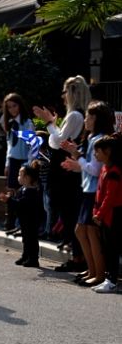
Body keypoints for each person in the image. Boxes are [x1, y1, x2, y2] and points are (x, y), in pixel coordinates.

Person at [33, 75, 90, 272]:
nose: (62, 96)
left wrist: (49, 123)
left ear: (72, 93)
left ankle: (78, 257)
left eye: (65, 92)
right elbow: (58, 139)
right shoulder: (77, 115)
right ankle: (78, 255)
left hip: (66, 171)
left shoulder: (75, 115)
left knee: (69, 213)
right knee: (68, 213)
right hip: (67, 168)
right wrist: (53, 126)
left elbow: (56, 142)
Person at [61, 101, 114, 287]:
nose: (86, 120)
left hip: (93, 192)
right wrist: (76, 159)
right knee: (83, 231)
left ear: (98, 119)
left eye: (90, 117)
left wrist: (77, 156)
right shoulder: (92, 137)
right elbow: (88, 168)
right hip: (88, 190)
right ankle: (93, 270)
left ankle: (98, 273)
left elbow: (94, 169)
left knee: (90, 232)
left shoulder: (98, 139)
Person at [91, 134, 122, 293]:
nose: (95, 154)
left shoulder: (114, 171)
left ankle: (111, 280)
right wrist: (96, 211)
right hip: (105, 214)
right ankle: (109, 278)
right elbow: (100, 193)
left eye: (98, 151)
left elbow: (110, 197)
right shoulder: (104, 168)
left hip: (113, 215)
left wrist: (100, 213)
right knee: (108, 248)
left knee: (112, 248)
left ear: (108, 151)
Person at [0, 162, 43, 267]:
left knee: (31, 239)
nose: (18, 177)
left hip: (32, 219)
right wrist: (11, 198)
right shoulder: (23, 189)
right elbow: (18, 202)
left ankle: (33, 259)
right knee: (26, 238)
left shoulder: (31, 192)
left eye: (20, 175)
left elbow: (22, 204)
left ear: (27, 178)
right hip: (24, 219)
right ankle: (25, 256)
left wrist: (9, 200)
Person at [1, 92, 34, 232]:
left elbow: (32, 145)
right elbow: (9, 144)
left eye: (14, 106)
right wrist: (7, 164)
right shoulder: (10, 124)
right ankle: (11, 222)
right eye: (9, 107)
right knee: (12, 191)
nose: (12, 109)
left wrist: (30, 164)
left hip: (24, 160)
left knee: (23, 193)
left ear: (19, 105)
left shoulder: (27, 123)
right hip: (13, 160)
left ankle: (22, 224)